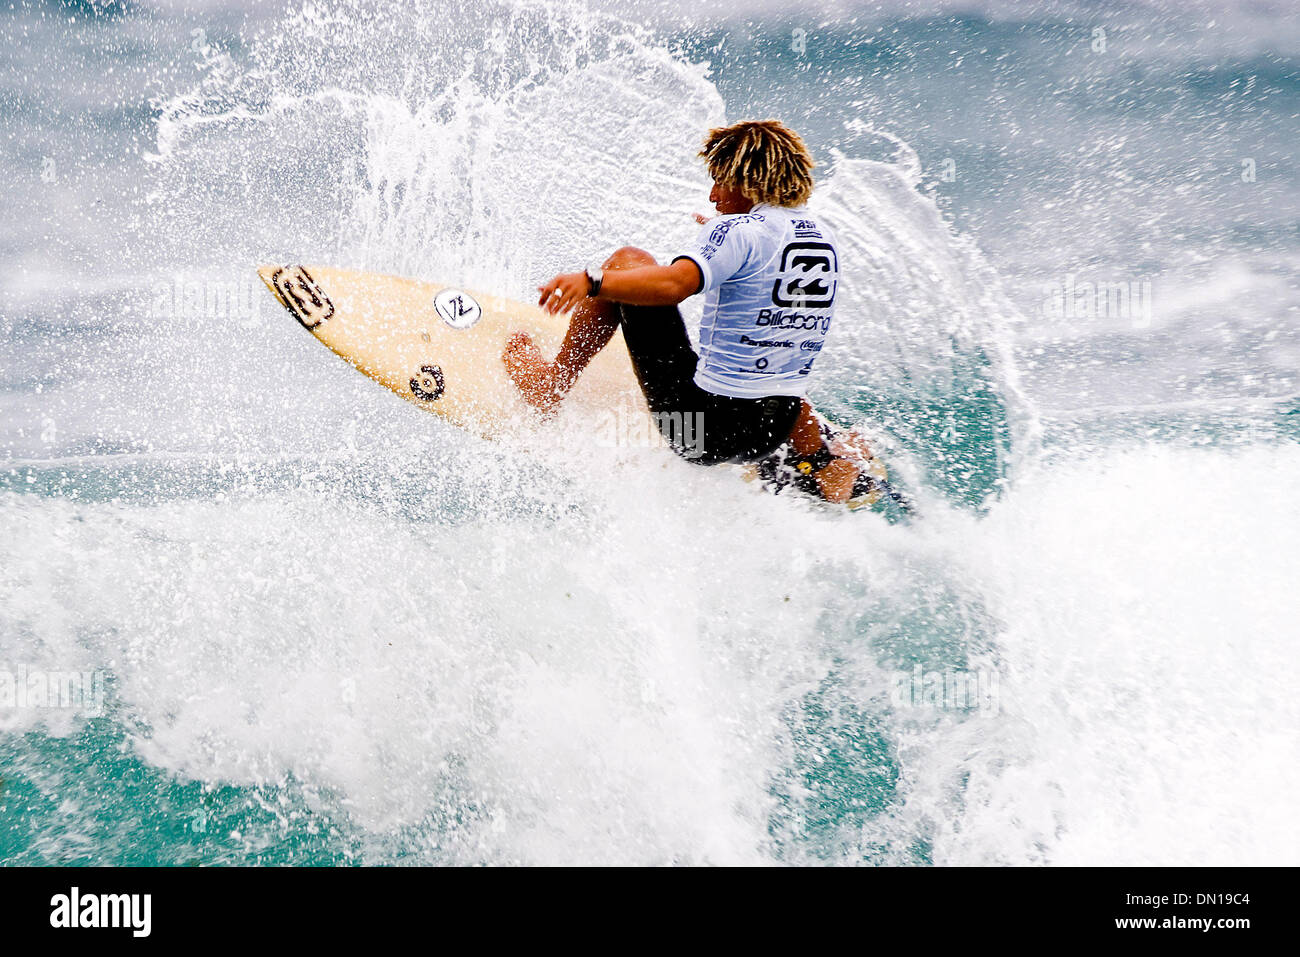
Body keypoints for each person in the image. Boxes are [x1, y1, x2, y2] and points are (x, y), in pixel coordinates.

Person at [502, 119, 879, 505]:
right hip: (774, 428)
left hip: (699, 432)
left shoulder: (739, 232)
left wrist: (592, 282)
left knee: (626, 261)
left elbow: (674, 284)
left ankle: (551, 385)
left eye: (720, 181)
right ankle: (818, 459)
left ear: (748, 182)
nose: (714, 195)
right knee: (773, 351)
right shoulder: (821, 237)